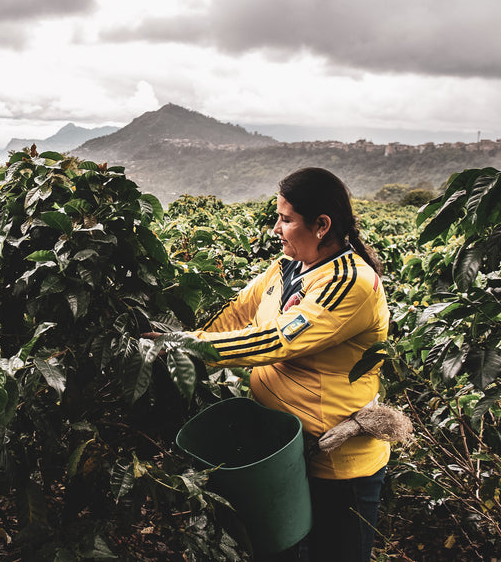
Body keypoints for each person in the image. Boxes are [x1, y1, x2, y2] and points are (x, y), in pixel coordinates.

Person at [149, 167, 390, 562]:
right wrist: (183, 342)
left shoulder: (350, 283)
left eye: (286, 219)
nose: (276, 229)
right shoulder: (286, 267)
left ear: (321, 225)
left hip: (336, 464)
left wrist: (190, 346)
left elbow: (277, 339)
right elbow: (237, 313)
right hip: (285, 451)